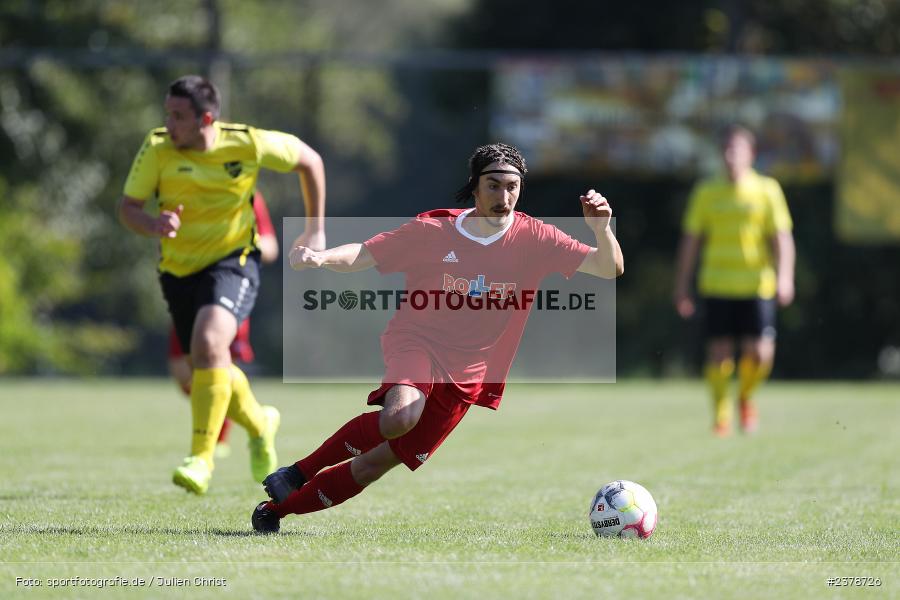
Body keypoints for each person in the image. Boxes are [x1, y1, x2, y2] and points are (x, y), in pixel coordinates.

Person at [250, 142, 623, 533]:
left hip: (467, 373)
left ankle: (275, 510)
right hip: (417, 341)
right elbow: (364, 254)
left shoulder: (536, 237)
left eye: (512, 186)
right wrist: (320, 257)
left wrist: (601, 229)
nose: (504, 196)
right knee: (400, 416)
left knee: (375, 464)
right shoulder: (433, 231)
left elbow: (609, 267)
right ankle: (298, 471)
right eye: (493, 185)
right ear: (474, 187)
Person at [118, 75, 326, 494]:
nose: (169, 125)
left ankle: (201, 457)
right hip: (178, 271)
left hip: (234, 262)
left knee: (210, 345)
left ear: (206, 119)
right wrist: (153, 224)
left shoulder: (246, 143)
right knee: (206, 365)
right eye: (167, 114)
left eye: (178, 116)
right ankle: (260, 423)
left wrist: (315, 230)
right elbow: (129, 208)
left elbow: (311, 161)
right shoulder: (157, 148)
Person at [673, 125, 795, 437]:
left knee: (761, 354)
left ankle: (745, 397)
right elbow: (691, 241)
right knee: (720, 354)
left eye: (736, 150)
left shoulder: (767, 190)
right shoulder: (706, 192)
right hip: (717, 284)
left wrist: (785, 277)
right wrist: (682, 286)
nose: (730, 156)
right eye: (726, 150)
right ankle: (721, 415)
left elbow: (782, 238)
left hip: (757, 285)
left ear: (751, 155)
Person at [167, 189, 279, 458]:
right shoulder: (183, 185)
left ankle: (213, 442)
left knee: (216, 362)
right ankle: (259, 422)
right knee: (184, 373)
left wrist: (235, 242)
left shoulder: (248, 195)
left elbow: (270, 247)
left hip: (227, 289)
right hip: (187, 290)